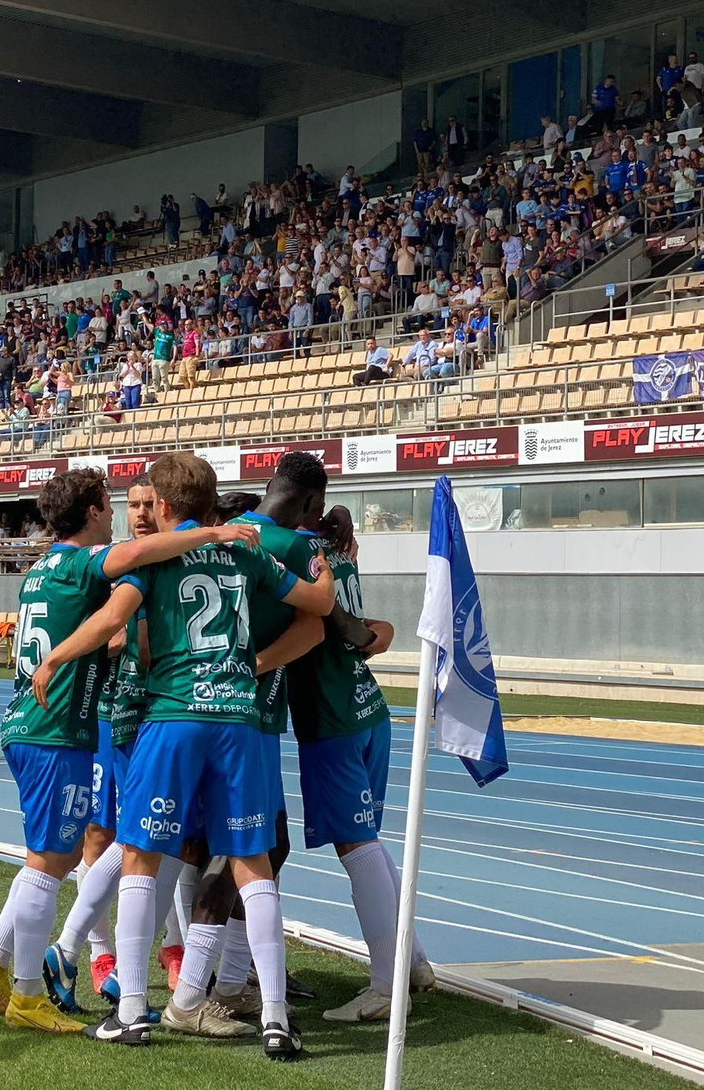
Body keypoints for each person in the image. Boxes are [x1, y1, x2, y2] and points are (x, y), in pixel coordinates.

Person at [31, 453, 335, 1057]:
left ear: (164, 507)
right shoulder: (248, 552)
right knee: (253, 862)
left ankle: (133, 1010)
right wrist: (324, 571)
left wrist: (57, 656)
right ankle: (274, 1016)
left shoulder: (160, 557)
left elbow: (114, 619)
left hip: (172, 715)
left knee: (141, 854)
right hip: (240, 718)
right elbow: (318, 607)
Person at [0, 467, 265, 1035]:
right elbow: (127, 583)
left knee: (63, 854)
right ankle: (31, 988)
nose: (130, 513)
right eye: (119, 503)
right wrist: (214, 534)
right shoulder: (85, 563)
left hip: (43, 726)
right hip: (62, 730)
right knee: (58, 859)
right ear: (97, 508)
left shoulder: (40, 568)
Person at [160, 452, 334, 1040]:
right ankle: (197, 991)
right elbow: (318, 620)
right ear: (310, 504)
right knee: (241, 852)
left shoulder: (220, 536)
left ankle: (215, 982)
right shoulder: (286, 545)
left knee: (204, 847)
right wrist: (255, 666)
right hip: (245, 718)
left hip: (184, 706)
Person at [292, 506, 435, 1022]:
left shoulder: (297, 556)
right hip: (367, 708)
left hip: (332, 718)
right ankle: (412, 960)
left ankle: (385, 985)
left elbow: (325, 628)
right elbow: (369, 629)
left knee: (358, 847)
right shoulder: (336, 555)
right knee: (369, 843)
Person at [41, 473, 158, 1012]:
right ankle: (96, 953)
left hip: (149, 714)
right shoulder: (111, 563)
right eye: (129, 504)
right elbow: (109, 631)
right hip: (117, 715)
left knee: (158, 838)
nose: (137, 513)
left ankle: (158, 953)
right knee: (108, 833)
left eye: (145, 504)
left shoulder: (151, 557)